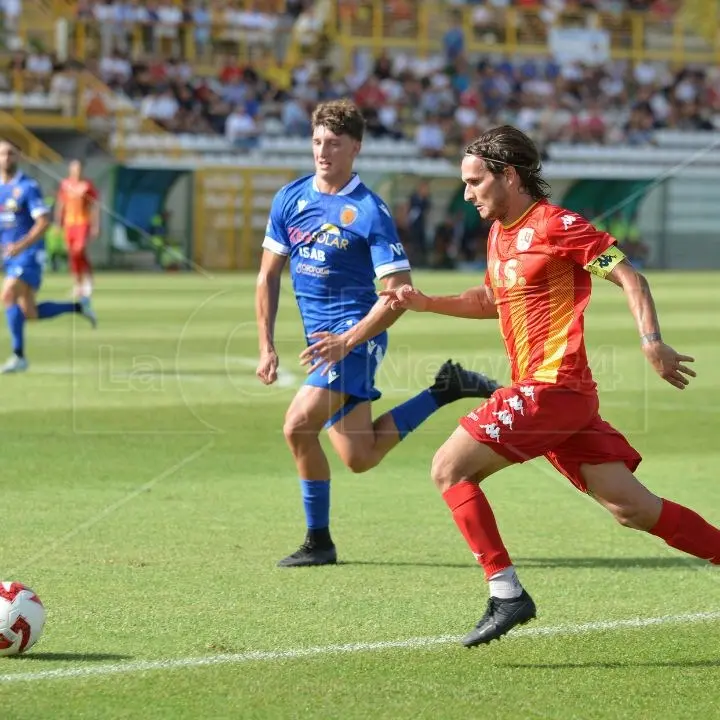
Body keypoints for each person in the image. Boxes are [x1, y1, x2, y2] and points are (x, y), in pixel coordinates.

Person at [377, 125, 719, 647]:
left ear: (508, 175)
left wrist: (651, 340)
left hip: (551, 388)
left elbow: (630, 276)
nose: (467, 194)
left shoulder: (559, 225)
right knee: (633, 508)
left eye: (474, 182)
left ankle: (506, 592)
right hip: (562, 399)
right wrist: (427, 303)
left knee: (449, 469)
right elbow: (492, 300)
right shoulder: (498, 233)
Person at [255, 99, 500, 568]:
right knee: (360, 456)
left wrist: (349, 340)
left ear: (356, 149)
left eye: (334, 144)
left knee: (296, 426)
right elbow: (267, 276)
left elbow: (398, 293)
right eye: (317, 142)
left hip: (354, 338)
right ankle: (445, 389)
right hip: (324, 344)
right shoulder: (290, 198)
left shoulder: (370, 211)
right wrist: (266, 345)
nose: (323, 152)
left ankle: (318, 542)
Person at [0, 141, 96, 373]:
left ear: (18, 157)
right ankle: (78, 307)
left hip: (29, 254)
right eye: (2, 154)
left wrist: (21, 245)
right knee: (29, 313)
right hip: (9, 255)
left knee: (8, 294)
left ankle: (19, 356)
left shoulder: (27, 187)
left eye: (10, 153)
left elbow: (43, 222)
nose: (6, 158)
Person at [55, 159, 99, 299]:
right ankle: (78, 284)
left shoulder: (87, 185)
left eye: (79, 168)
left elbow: (94, 206)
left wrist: (95, 225)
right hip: (69, 223)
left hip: (82, 222)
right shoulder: (65, 184)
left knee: (79, 249)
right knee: (72, 254)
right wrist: (58, 222)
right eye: (74, 168)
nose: (77, 171)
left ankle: (88, 280)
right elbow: (61, 204)